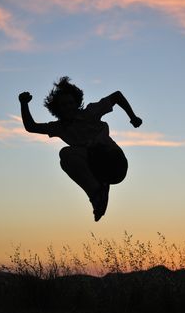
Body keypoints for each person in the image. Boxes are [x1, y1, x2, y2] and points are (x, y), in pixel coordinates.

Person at [19, 76, 142, 222]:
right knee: (66, 155)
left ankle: (98, 190)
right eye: (63, 105)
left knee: (73, 151)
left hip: (114, 162)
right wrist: (24, 104)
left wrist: (132, 117)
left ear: (76, 103)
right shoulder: (59, 127)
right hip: (97, 168)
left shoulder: (90, 112)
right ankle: (97, 193)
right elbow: (31, 127)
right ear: (57, 109)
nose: (68, 107)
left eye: (71, 103)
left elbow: (117, 96)